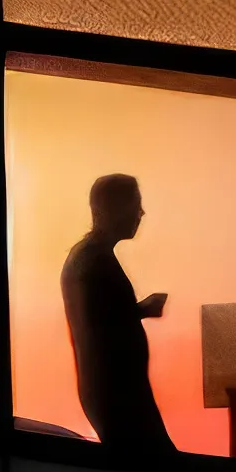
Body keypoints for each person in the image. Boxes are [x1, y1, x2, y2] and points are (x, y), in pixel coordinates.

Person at [61, 173, 175, 457]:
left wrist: (139, 310)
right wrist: (138, 311)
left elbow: (105, 317)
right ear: (115, 208)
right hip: (119, 399)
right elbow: (101, 330)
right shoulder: (92, 261)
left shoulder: (90, 257)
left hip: (122, 396)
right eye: (135, 204)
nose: (141, 212)